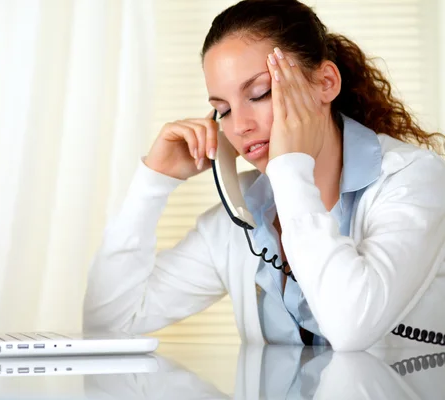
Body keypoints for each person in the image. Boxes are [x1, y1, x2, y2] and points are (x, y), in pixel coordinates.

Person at [82, 0, 445, 351]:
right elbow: (109, 323)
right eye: (222, 110)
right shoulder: (242, 214)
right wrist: (153, 183)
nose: (239, 126)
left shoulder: (413, 179)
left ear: (326, 83)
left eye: (260, 93)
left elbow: (351, 328)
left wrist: (290, 165)